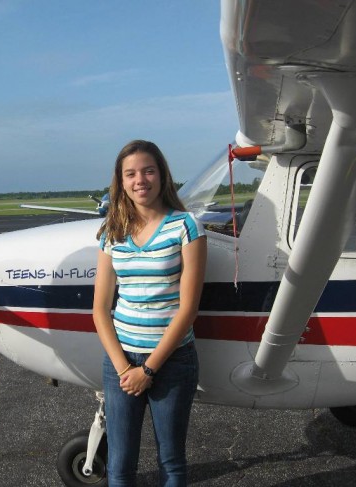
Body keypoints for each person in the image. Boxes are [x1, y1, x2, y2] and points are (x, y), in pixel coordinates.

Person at [93, 140, 207, 486]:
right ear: (121, 181)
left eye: (148, 170)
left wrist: (148, 369)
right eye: (130, 174)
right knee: (120, 464)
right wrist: (125, 367)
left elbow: (187, 309)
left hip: (171, 361)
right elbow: (100, 309)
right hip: (122, 362)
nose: (140, 179)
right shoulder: (111, 232)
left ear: (162, 176)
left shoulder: (186, 227)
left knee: (171, 461)